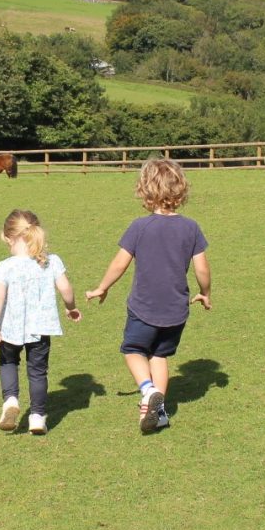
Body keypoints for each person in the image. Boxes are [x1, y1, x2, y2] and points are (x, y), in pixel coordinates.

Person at [86, 158, 210, 433]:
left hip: (144, 307)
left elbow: (120, 263)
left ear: (145, 190)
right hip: (177, 309)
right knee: (159, 356)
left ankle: (148, 390)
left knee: (132, 350)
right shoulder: (191, 228)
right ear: (180, 190)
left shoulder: (139, 227)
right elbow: (202, 268)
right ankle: (160, 412)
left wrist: (102, 287)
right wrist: (205, 292)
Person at [0, 209, 82, 435]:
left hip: (10, 328)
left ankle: (10, 401)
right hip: (40, 329)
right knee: (38, 372)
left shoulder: (5, 266)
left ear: (8, 237)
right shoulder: (51, 261)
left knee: (8, 362)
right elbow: (66, 289)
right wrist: (71, 308)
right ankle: (37, 417)